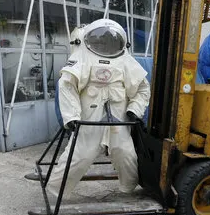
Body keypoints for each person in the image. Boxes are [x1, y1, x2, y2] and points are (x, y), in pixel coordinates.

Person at [46, 19, 151, 198]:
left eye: (110, 40)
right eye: (101, 40)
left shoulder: (125, 60)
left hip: (118, 122)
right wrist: (71, 117)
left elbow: (142, 88)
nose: (105, 43)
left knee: (126, 155)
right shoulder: (83, 57)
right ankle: (54, 193)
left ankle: (128, 189)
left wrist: (135, 109)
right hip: (88, 122)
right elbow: (67, 86)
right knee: (79, 157)